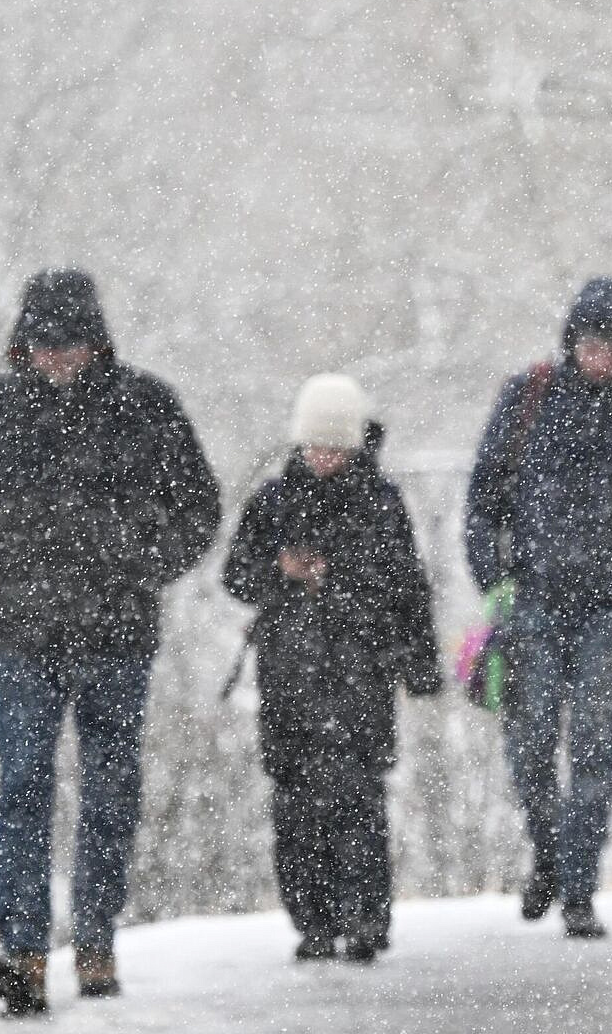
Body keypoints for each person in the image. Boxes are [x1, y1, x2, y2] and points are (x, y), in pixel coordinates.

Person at [0, 268, 221, 1017]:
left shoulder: (145, 405)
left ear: (96, 342)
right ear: (23, 344)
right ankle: (24, 952)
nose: (57, 356)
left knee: (110, 789)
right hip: (22, 636)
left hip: (117, 635)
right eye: (44, 343)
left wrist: (139, 566)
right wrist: (2, 570)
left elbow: (198, 507)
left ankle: (96, 939)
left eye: (71, 342)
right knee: (24, 785)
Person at [464, 277, 612, 939]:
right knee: (530, 744)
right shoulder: (528, 397)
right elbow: (483, 502)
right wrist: (493, 581)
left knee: (596, 747)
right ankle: (551, 850)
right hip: (533, 600)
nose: (602, 355)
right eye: (593, 341)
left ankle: (578, 890)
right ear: (572, 338)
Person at [223, 374, 441, 964]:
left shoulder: (381, 503)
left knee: (357, 796)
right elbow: (236, 574)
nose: (323, 456)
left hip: (361, 670)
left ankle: (364, 916)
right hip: (289, 673)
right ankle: (313, 921)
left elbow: (407, 586)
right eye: (315, 444)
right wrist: (280, 570)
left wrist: (419, 663)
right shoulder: (272, 501)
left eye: (335, 446)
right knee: (295, 799)